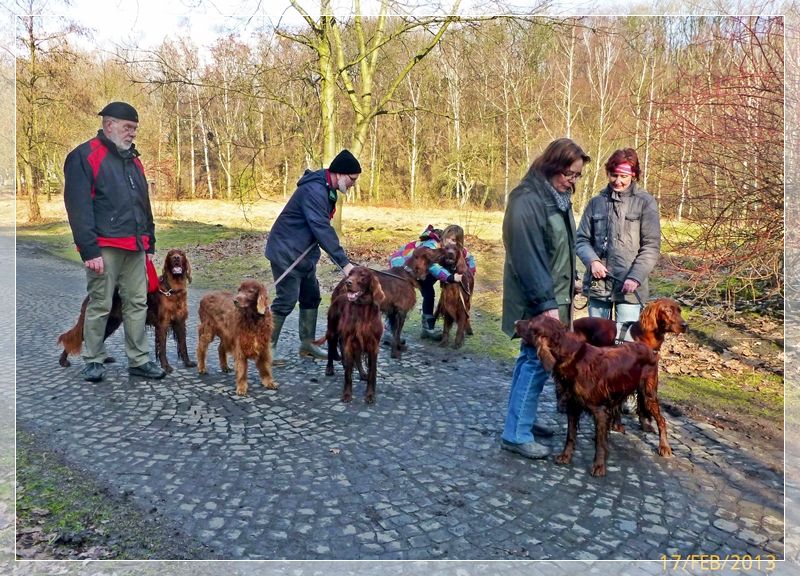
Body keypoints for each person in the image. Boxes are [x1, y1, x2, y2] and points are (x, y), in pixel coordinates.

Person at [500, 138, 590, 459]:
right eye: (569, 173)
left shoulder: (557, 198)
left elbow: (559, 248)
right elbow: (529, 258)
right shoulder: (527, 200)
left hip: (554, 296)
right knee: (537, 362)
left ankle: (522, 418)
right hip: (537, 301)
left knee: (531, 360)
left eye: (577, 175)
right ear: (552, 166)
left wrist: (571, 279)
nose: (572, 181)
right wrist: (546, 304)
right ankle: (516, 433)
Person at [63, 101, 166, 382]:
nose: (133, 133)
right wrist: (89, 250)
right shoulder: (84, 156)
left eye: (135, 128)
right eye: (128, 127)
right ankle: (94, 359)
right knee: (100, 304)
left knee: (138, 303)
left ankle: (139, 360)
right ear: (109, 125)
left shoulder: (134, 160)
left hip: (135, 246)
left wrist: (149, 242)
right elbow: (78, 207)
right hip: (104, 247)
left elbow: (143, 204)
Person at [265, 149, 358, 365]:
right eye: (352, 178)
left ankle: (308, 344)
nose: (354, 183)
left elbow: (318, 228)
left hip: (303, 254)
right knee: (286, 299)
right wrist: (345, 264)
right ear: (339, 174)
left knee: (311, 296)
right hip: (285, 251)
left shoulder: (327, 189)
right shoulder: (314, 190)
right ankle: (267, 348)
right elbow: (321, 228)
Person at [575, 148, 661, 341]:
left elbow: (651, 247)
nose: (618, 181)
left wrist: (635, 277)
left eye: (624, 176)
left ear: (633, 175)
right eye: (614, 175)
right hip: (598, 286)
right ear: (608, 173)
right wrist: (593, 262)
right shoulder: (596, 203)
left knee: (626, 345)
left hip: (629, 288)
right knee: (597, 344)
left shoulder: (645, 203)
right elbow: (581, 240)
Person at [387, 224, 475, 340]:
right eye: (447, 237)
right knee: (401, 298)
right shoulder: (433, 245)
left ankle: (427, 328)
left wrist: (468, 274)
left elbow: (470, 258)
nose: (449, 241)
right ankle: (388, 331)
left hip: (421, 272)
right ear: (443, 236)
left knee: (429, 294)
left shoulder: (454, 249)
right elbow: (432, 266)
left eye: (453, 240)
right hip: (402, 265)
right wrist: (450, 277)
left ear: (458, 242)